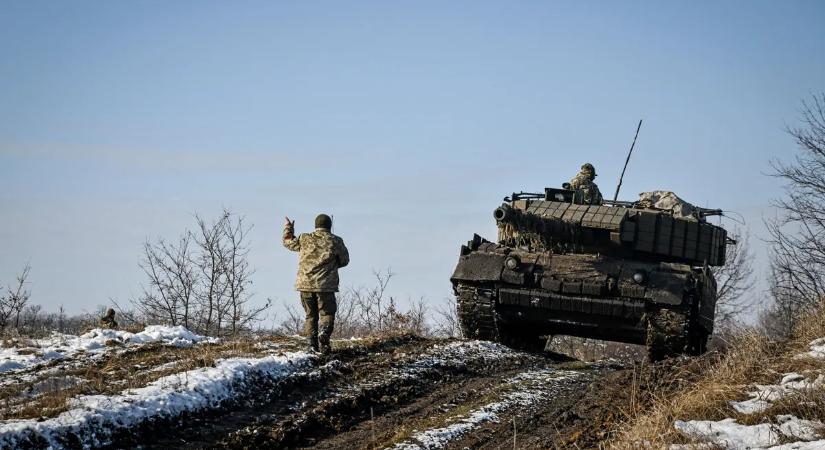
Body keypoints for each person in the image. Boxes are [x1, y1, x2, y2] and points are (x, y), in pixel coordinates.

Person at [283, 213, 349, 354]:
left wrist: (289, 228)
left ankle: (311, 346)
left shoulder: (304, 238)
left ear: (316, 225)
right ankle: (324, 333)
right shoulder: (336, 241)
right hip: (326, 285)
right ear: (329, 226)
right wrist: (331, 264)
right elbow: (344, 260)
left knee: (311, 316)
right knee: (327, 313)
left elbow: (288, 242)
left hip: (305, 284)